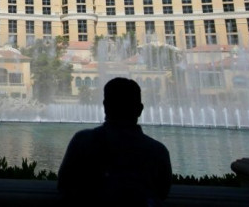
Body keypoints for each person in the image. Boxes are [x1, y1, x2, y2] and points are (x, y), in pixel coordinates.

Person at [57, 77, 172, 206]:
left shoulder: (83, 141)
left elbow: (64, 184)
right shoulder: (157, 151)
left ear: (105, 107)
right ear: (140, 109)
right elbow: (162, 192)